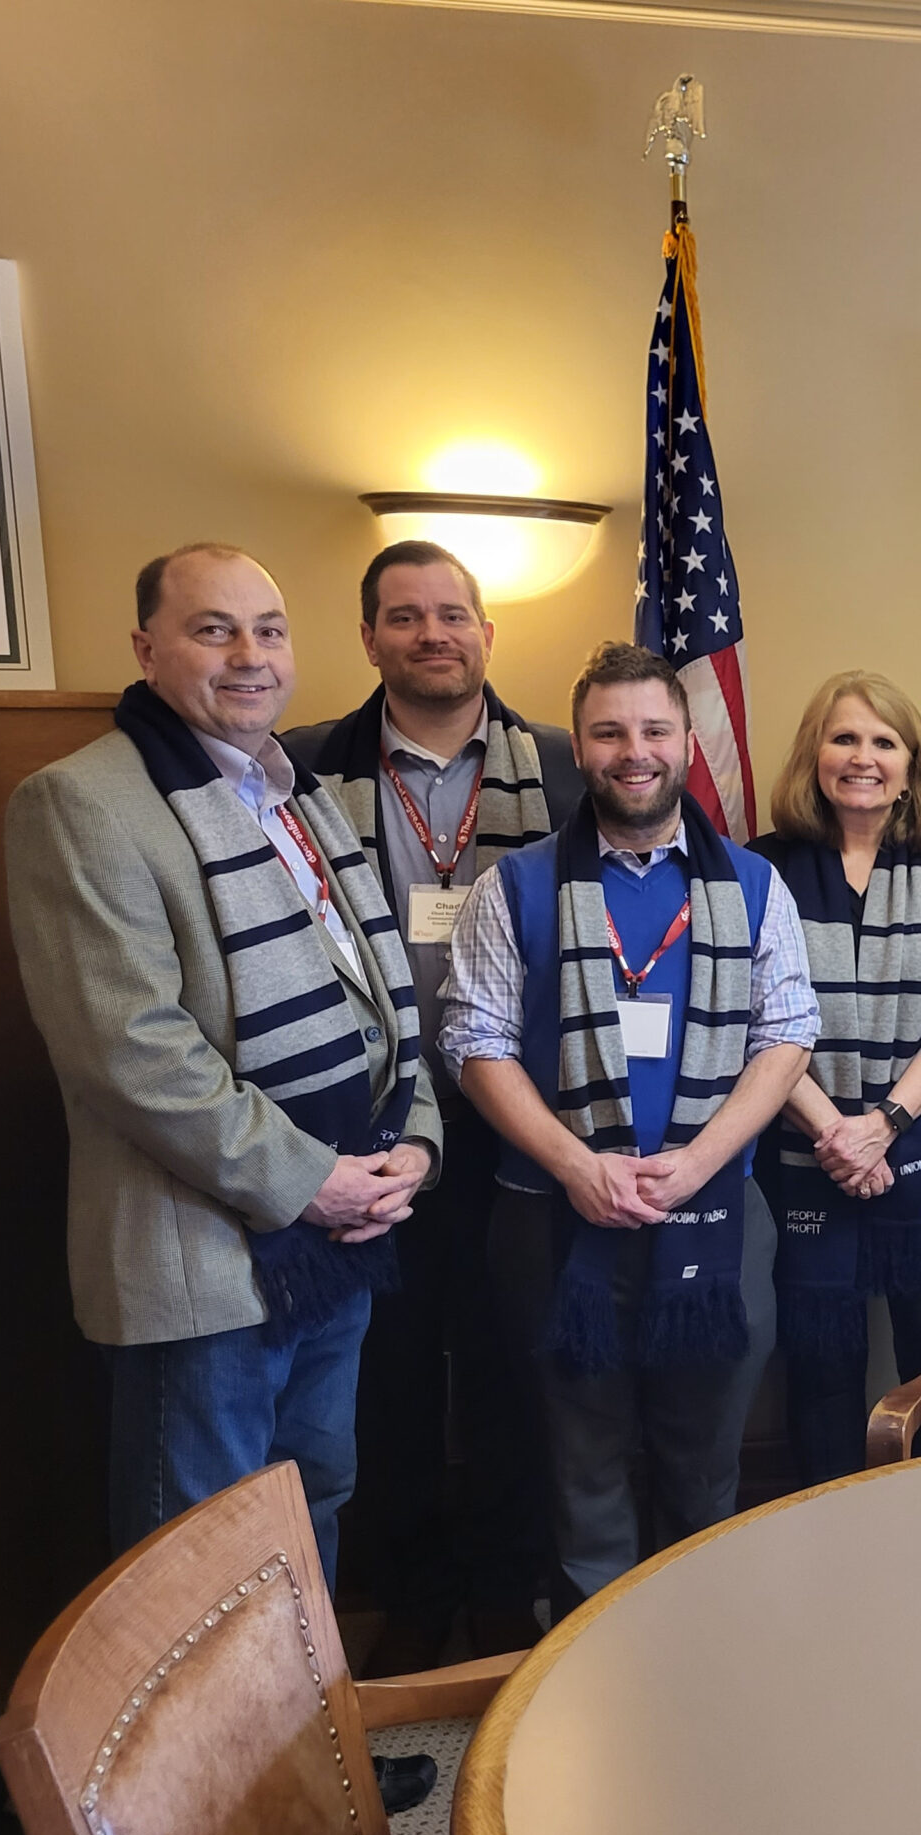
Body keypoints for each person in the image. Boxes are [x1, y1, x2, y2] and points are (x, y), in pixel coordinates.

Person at [7, 543, 441, 1587]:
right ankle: (217, 1763)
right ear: (147, 648)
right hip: (204, 1268)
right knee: (202, 1558)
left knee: (310, 1505)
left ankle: (305, 1754)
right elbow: (132, 1055)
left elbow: (385, 999)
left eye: (270, 629)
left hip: (333, 1253)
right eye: (214, 629)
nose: (250, 655)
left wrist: (413, 1145)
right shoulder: (81, 804)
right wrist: (316, 1182)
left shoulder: (298, 791)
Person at [443, 643, 814, 1608]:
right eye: (609, 732)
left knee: (704, 1464)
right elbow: (474, 1040)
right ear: (582, 746)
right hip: (554, 1223)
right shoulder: (513, 887)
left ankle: (703, 1651)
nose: (633, 751)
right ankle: (593, 1682)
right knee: (582, 1466)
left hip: (718, 1215)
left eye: (654, 729)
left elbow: (786, 1036)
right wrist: (577, 1166)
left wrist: (695, 1163)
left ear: (689, 742)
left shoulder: (754, 886)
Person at [282, 539, 579, 1675]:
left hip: (519, 1125)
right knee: (387, 1374)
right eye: (404, 618)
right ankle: (411, 1591)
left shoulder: (555, 765)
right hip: (368, 1129)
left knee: (510, 1364)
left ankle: (506, 1586)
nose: (432, 635)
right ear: (369, 639)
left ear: (487, 634)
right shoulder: (303, 769)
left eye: (452, 615)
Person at [750, 672, 921, 1487]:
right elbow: (758, 1015)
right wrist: (834, 1133)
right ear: (814, 754)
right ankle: (828, 1539)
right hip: (800, 1153)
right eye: (844, 738)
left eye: (884, 741)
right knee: (819, 1370)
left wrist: (880, 1123)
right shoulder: (762, 868)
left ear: (910, 763)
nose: (863, 757)